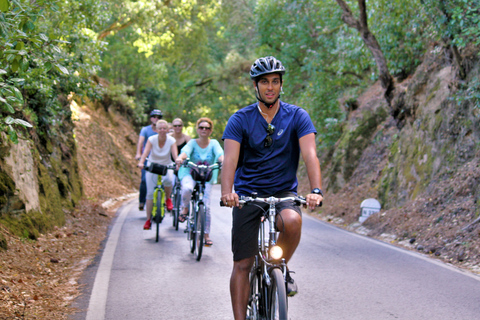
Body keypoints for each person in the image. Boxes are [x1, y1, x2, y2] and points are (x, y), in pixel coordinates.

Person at [220, 56, 323, 320]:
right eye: (264, 82)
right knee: (243, 263)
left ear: (280, 85)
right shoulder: (239, 119)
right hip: (247, 194)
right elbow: (230, 159)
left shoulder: (297, 116)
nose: (270, 87)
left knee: (292, 222)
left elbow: (310, 154)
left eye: (275, 82)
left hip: (283, 192)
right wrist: (227, 192)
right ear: (255, 86)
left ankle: (279, 266)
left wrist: (316, 190)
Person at [175, 117, 224, 246]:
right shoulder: (192, 142)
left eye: (207, 128)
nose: (204, 130)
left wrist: (224, 161)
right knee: (187, 189)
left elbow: (220, 155)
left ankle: (206, 234)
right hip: (190, 173)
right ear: (197, 129)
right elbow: (185, 152)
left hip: (206, 175)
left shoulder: (214, 143)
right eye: (201, 127)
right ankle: (185, 208)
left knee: (206, 206)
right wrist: (180, 158)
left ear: (210, 130)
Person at [138, 120, 178, 230]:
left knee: (169, 181)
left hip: (167, 165)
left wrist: (177, 163)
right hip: (153, 165)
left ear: (167, 129)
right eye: (160, 128)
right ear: (156, 129)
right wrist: (141, 162)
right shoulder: (151, 139)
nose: (162, 130)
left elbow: (175, 155)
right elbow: (146, 152)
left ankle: (168, 198)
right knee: (150, 193)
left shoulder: (171, 140)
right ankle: (148, 220)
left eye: (164, 128)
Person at [135, 109, 163, 211]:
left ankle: (162, 202)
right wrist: (139, 154)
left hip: (160, 158)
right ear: (151, 118)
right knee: (144, 180)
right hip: (147, 158)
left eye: (159, 117)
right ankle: (142, 201)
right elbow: (141, 142)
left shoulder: (163, 130)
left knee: (163, 180)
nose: (156, 119)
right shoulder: (145, 130)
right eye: (154, 117)